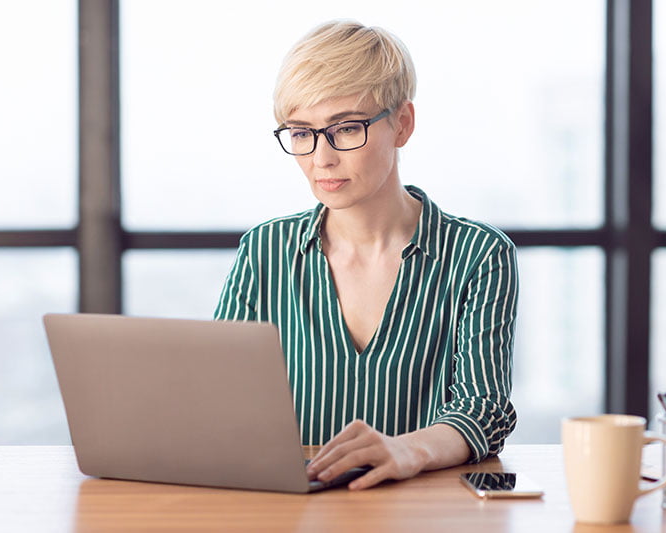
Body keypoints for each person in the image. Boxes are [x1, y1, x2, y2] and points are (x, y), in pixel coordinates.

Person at [215, 20, 519, 490]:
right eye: (301, 133)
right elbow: (217, 397)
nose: (322, 158)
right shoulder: (266, 250)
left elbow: (484, 409)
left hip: (423, 510)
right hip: (292, 508)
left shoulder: (478, 255)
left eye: (346, 128)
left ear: (402, 124)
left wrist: (408, 449)